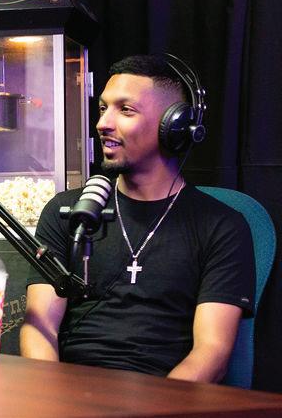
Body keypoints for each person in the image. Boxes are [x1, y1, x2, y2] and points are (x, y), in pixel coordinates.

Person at [20, 54, 255, 382]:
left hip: (167, 395)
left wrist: (160, 406)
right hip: (69, 392)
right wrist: (53, 397)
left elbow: (212, 353)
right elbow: (39, 328)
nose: (103, 123)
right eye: (103, 108)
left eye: (125, 110)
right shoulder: (70, 212)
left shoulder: (221, 226)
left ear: (173, 126)